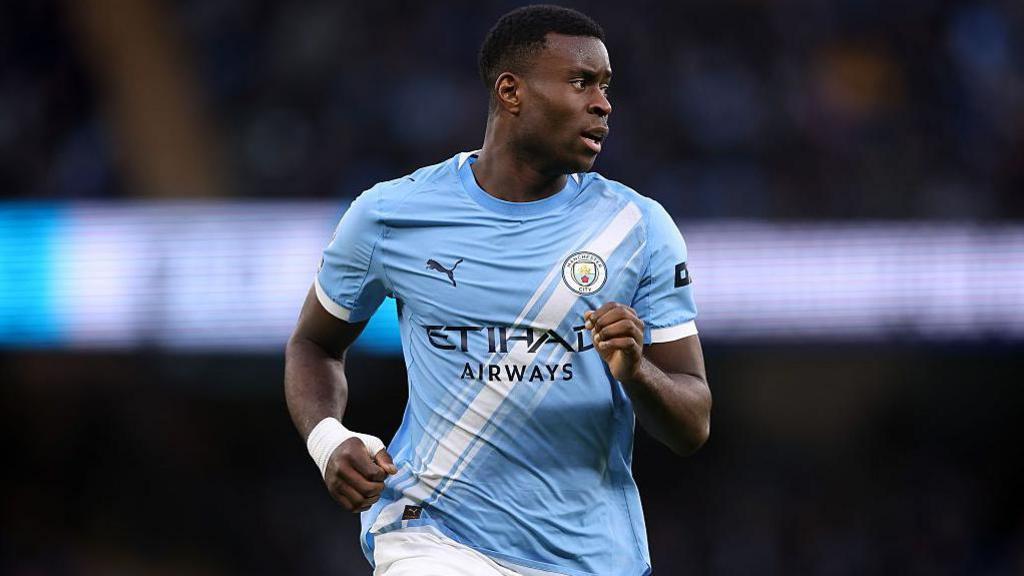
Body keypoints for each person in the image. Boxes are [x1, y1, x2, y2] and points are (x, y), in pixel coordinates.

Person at [284, 5, 711, 575]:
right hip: (432, 537)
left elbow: (693, 425)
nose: (603, 104)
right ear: (511, 92)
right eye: (581, 82)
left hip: (589, 555)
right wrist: (328, 440)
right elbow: (314, 344)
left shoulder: (638, 229)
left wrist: (637, 371)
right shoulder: (392, 215)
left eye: (606, 87)